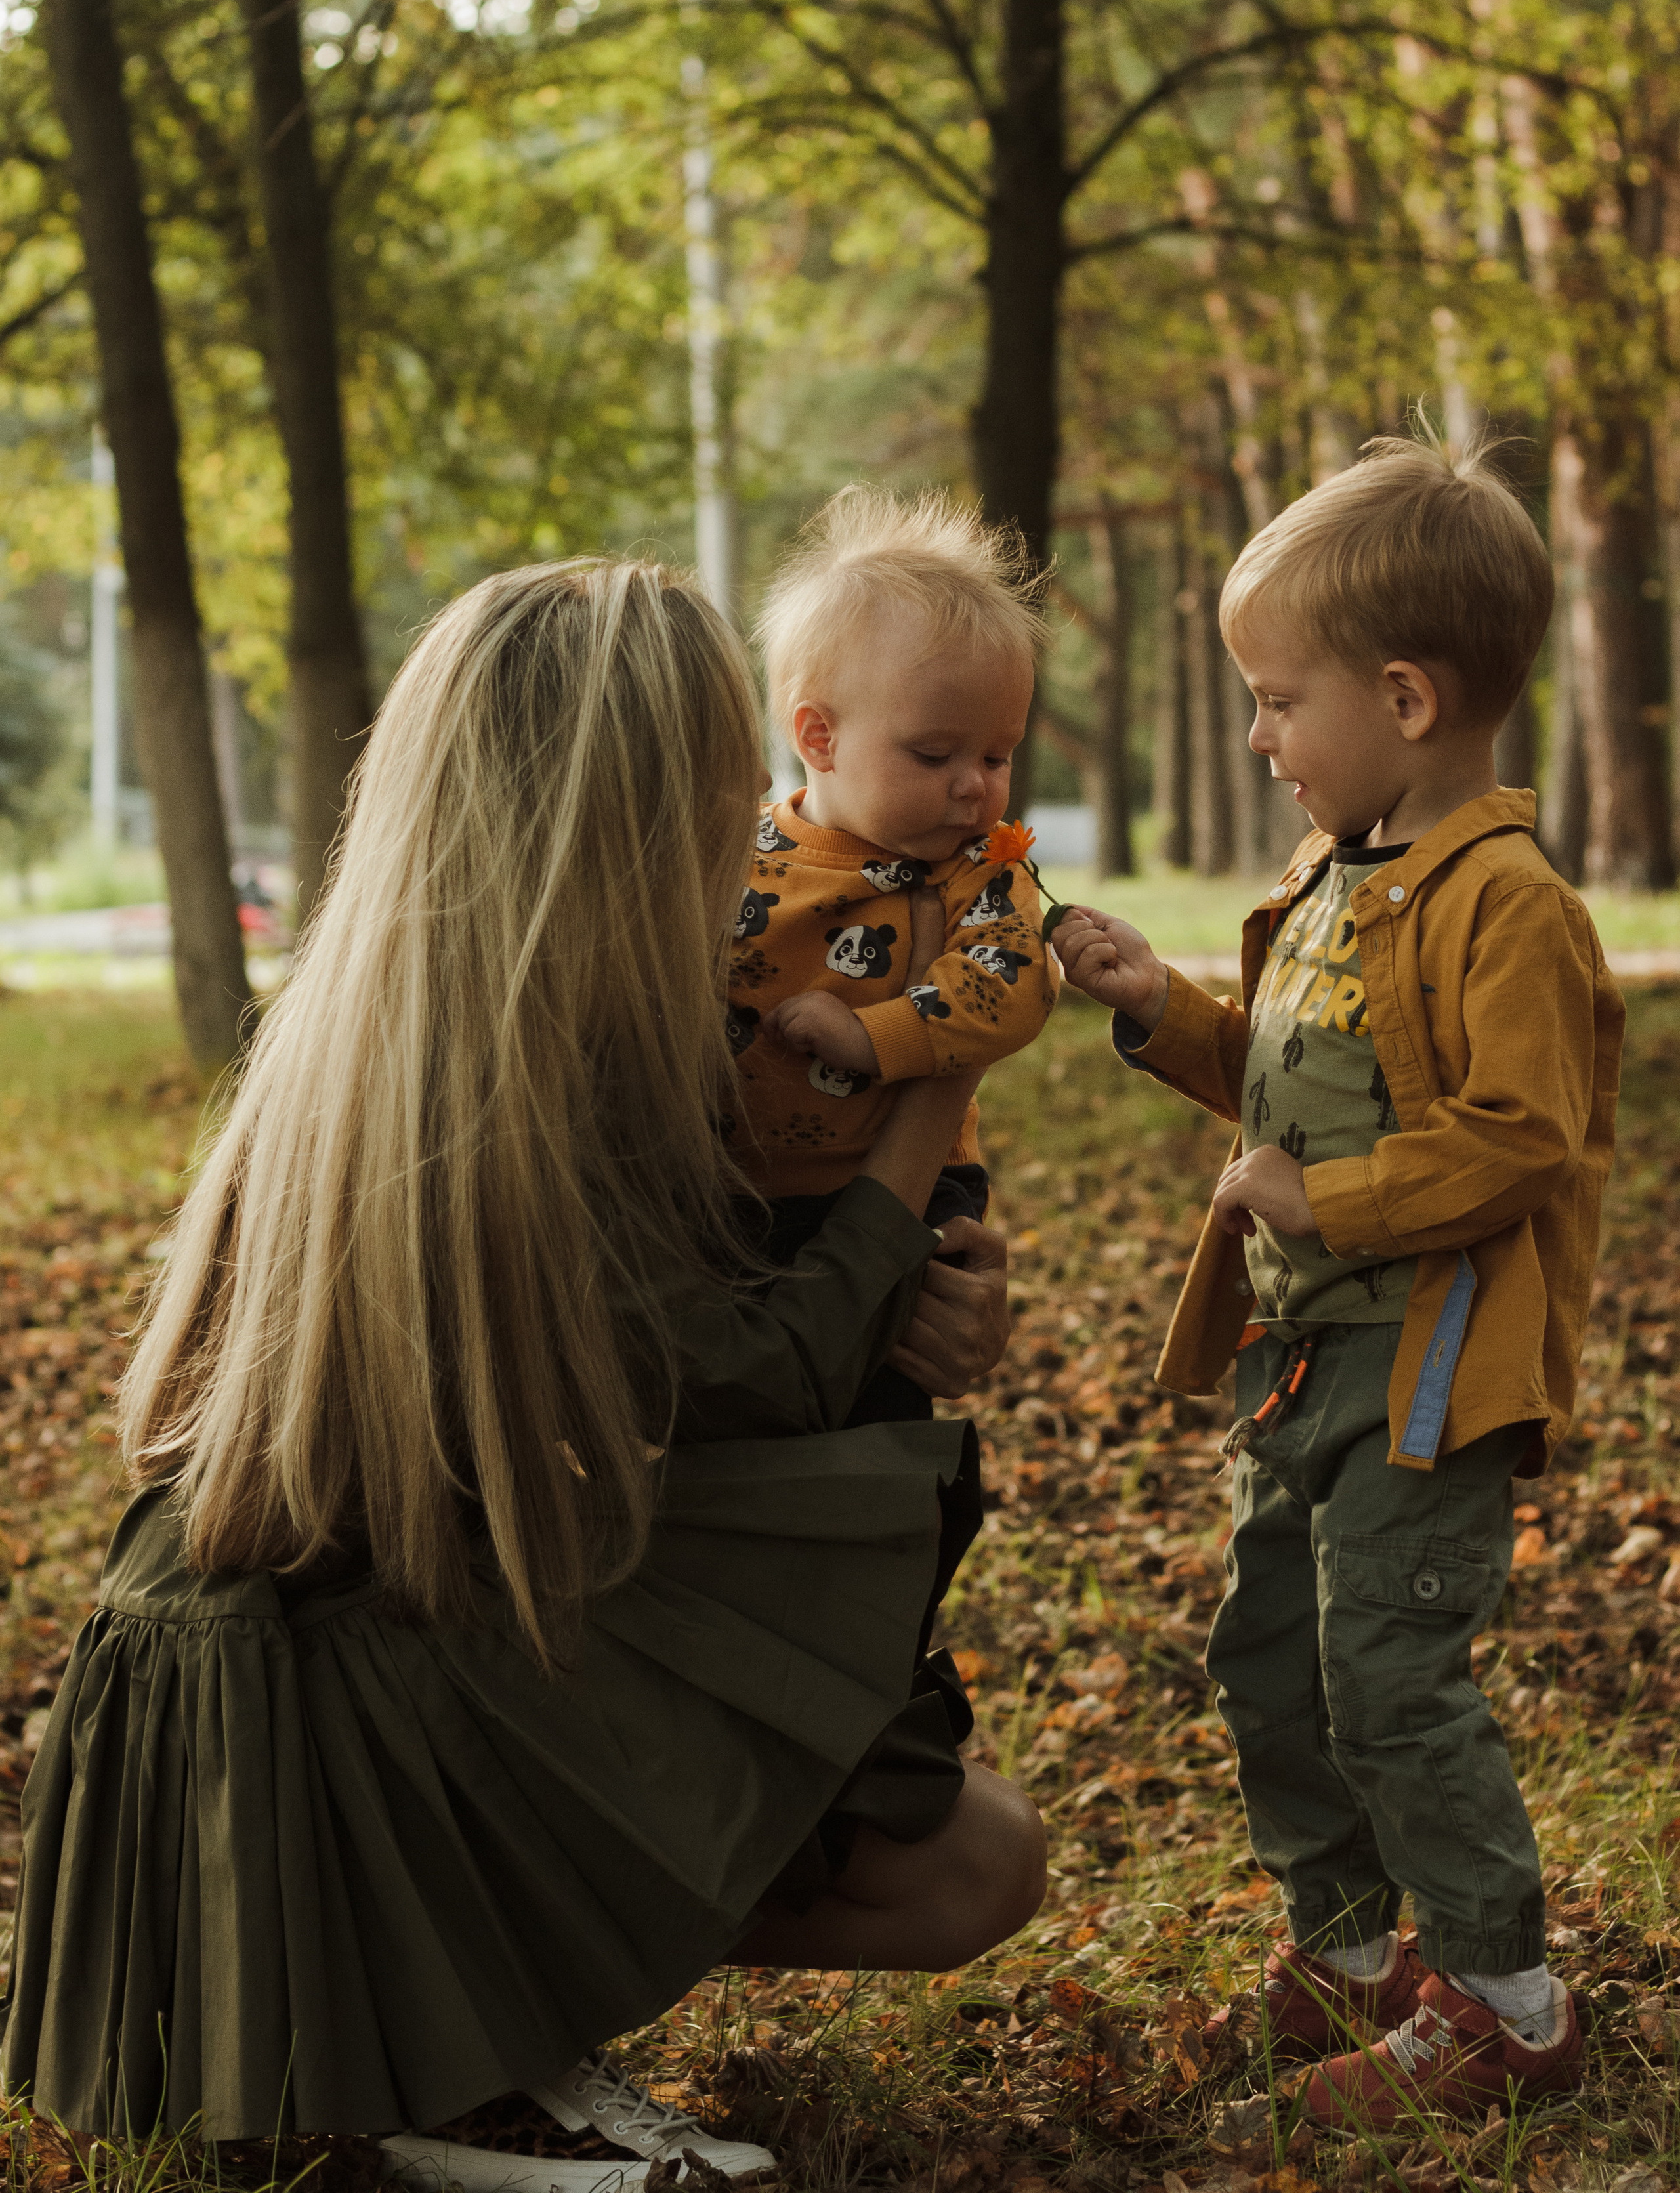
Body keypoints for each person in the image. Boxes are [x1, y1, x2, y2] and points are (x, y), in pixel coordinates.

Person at [1, 560, 1046, 2179]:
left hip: (296, 1691)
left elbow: (736, 1347)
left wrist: (918, 1293)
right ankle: (427, 2054)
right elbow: (758, 1377)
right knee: (971, 1862)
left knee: (961, 1856)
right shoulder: (508, 1087)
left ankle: (449, 2011)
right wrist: (936, 1076)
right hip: (305, 1729)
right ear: (620, 819)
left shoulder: (422, 1012)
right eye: (721, 786)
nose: (754, 826)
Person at [1053, 434, 1622, 2125]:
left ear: (1403, 696)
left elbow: (1522, 1136)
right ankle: (1359, 1958)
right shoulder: (1328, 881)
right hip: (1300, 1367)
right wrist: (1158, 1007)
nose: (1256, 734)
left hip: (1429, 1373)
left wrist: (1334, 1198)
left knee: (1386, 1674)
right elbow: (1293, 1097)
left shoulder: (1503, 905)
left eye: (1275, 699)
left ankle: (1503, 2006)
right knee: (1270, 1660)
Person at [729, 487, 1059, 1424]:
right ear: (818, 737)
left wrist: (872, 1034)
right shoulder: (739, 855)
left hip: (904, 1189)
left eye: (998, 756)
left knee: (875, 1392)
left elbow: (1014, 991)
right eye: (934, 754)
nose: (975, 789)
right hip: (737, 1187)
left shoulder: (978, 873)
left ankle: (885, 1524)